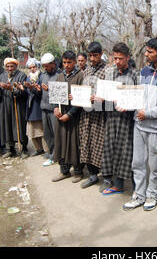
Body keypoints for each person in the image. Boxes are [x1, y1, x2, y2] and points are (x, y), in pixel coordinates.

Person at [123, 37, 157, 211]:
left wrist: (148, 113)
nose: (146, 54)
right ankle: (138, 195)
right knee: (137, 163)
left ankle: (151, 194)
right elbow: (137, 95)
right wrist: (128, 104)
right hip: (138, 125)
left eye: (150, 52)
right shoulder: (144, 71)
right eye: (146, 51)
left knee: (154, 165)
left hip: (156, 128)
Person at [99, 42, 140, 195]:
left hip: (128, 121)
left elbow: (139, 99)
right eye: (115, 58)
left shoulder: (136, 75)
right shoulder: (109, 74)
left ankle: (137, 188)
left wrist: (128, 105)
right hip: (111, 118)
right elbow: (103, 97)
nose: (117, 61)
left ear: (128, 58)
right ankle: (117, 184)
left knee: (128, 152)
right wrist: (99, 99)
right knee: (112, 150)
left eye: (120, 58)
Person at [51, 51, 85, 183]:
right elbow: (55, 96)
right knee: (60, 142)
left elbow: (81, 100)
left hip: (74, 117)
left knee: (73, 144)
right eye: (64, 62)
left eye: (69, 62)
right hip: (60, 116)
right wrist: (55, 108)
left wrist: (69, 114)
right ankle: (64, 171)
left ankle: (78, 171)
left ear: (75, 62)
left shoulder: (80, 76)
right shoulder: (60, 76)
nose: (66, 65)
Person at [78, 41, 108, 188]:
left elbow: (109, 96)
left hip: (101, 115)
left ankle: (107, 177)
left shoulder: (108, 71)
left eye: (95, 55)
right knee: (87, 143)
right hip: (86, 114)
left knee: (100, 144)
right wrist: (77, 96)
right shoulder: (87, 70)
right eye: (90, 56)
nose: (92, 59)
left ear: (101, 54)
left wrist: (98, 99)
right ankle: (92, 175)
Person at [0, 57, 29, 158]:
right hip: (5, 105)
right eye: (7, 66)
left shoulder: (21, 76)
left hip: (17, 105)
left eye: (11, 66)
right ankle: (10, 148)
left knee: (19, 126)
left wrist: (11, 89)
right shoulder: (2, 76)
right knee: (6, 125)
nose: (9, 68)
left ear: (16, 66)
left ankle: (23, 148)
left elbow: (23, 92)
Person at [38, 53, 61, 166]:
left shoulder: (59, 75)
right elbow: (40, 91)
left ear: (53, 64)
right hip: (44, 108)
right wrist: (37, 89)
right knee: (47, 134)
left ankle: (55, 155)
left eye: (47, 66)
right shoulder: (43, 75)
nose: (45, 68)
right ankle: (51, 151)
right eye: (44, 66)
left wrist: (51, 89)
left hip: (54, 109)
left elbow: (62, 93)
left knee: (55, 133)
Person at [23, 58, 45, 157]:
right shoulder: (28, 78)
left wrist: (35, 89)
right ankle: (38, 148)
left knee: (42, 130)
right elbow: (26, 92)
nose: (32, 69)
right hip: (30, 106)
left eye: (34, 67)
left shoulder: (42, 76)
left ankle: (46, 149)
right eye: (30, 67)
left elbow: (42, 92)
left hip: (39, 106)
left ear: (38, 67)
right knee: (32, 130)